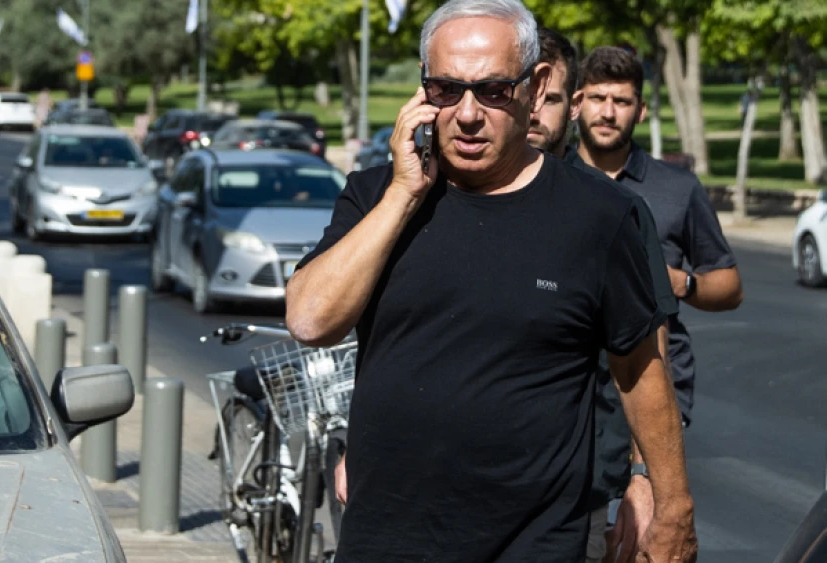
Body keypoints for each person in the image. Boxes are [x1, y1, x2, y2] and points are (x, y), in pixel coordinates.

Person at [285, 0, 698, 560]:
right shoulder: (374, 196)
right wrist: (405, 194)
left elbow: (640, 367)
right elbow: (310, 320)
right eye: (446, 90)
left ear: (535, 87)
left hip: (529, 543)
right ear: (422, 94)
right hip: (388, 538)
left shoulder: (600, 216)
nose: (468, 112)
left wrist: (667, 501)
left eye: (493, 91)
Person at [573, 46, 743, 561]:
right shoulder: (550, 180)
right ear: (578, 102)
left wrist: (680, 283)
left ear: (640, 110)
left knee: (641, 537)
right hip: (571, 385)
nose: (608, 112)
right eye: (598, 98)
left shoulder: (675, 189)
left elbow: (729, 286)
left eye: (621, 101)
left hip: (649, 381)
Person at [527, 27, 681, 563]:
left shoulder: (612, 211)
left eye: (547, 98)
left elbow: (649, 357)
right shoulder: (441, 200)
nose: (530, 111)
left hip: (580, 490)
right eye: (519, 91)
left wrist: (646, 481)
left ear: (570, 106)